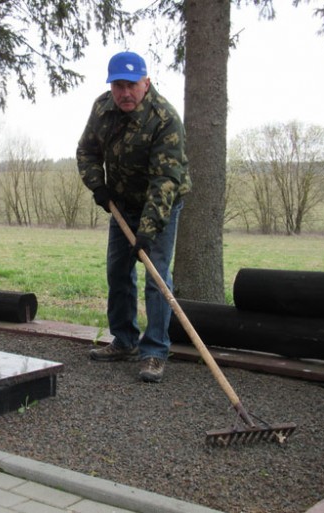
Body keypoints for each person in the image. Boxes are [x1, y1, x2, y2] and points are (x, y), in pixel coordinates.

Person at [76, 51, 190, 383]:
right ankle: (124, 340)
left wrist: (149, 229)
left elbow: (165, 179)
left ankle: (154, 351)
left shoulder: (164, 118)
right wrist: (98, 186)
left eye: (132, 85)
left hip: (162, 203)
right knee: (118, 271)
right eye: (118, 86)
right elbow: (87, 150)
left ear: (146, 82)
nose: (125, 93)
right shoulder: (102, 108)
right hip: (122, 203)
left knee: (156, 276)